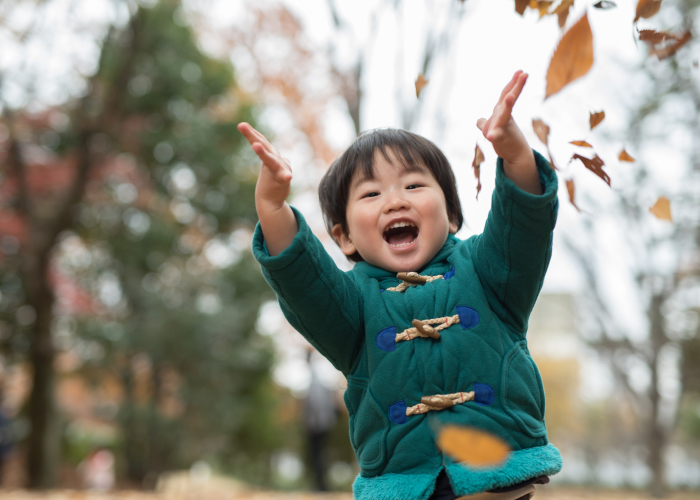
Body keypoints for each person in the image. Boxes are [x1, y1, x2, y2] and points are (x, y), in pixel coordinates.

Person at [240, 70, 562, 500]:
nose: (396, 200)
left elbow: (522, 228)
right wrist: (273, 206)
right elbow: (303, 283)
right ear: (345, 237)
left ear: (450, 215)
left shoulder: (487, 272)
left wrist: (516, 156)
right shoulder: (351, 306)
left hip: (499, 480)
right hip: (407, 487)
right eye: (371, 195)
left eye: (413, 185)